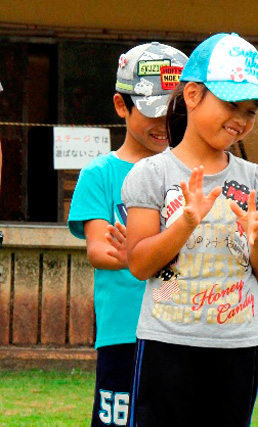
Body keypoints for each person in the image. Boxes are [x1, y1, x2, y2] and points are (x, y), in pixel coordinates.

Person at [121, 33, 258, 426]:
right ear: (192, 95)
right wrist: (186, 222)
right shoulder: (152, 175)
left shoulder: (255, 179)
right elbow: (141, 265)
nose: (241, 120)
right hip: (168, 341)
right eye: (230, 104)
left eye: (251, 111)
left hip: (239, 345)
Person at [67, 42, 188, 426]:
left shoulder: (188, 173)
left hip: (182, 327)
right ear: (122, 105)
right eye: (153, 112)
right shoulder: (99, 174)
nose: (163, 124)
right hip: (125, 331)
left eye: (175, 112)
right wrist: (139, 254)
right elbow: (98, 248)